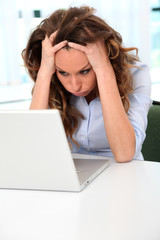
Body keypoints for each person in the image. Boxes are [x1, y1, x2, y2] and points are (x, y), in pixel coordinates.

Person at [22, 6, 152, 162]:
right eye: (63, 72)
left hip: (126, 174)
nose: (75, 86)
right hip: (74, 174)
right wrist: (44, 72)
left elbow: (125, 154)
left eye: (84, 71)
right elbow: (31, 148)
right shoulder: (51, 78)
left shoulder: (136, 74)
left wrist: (103, 68)